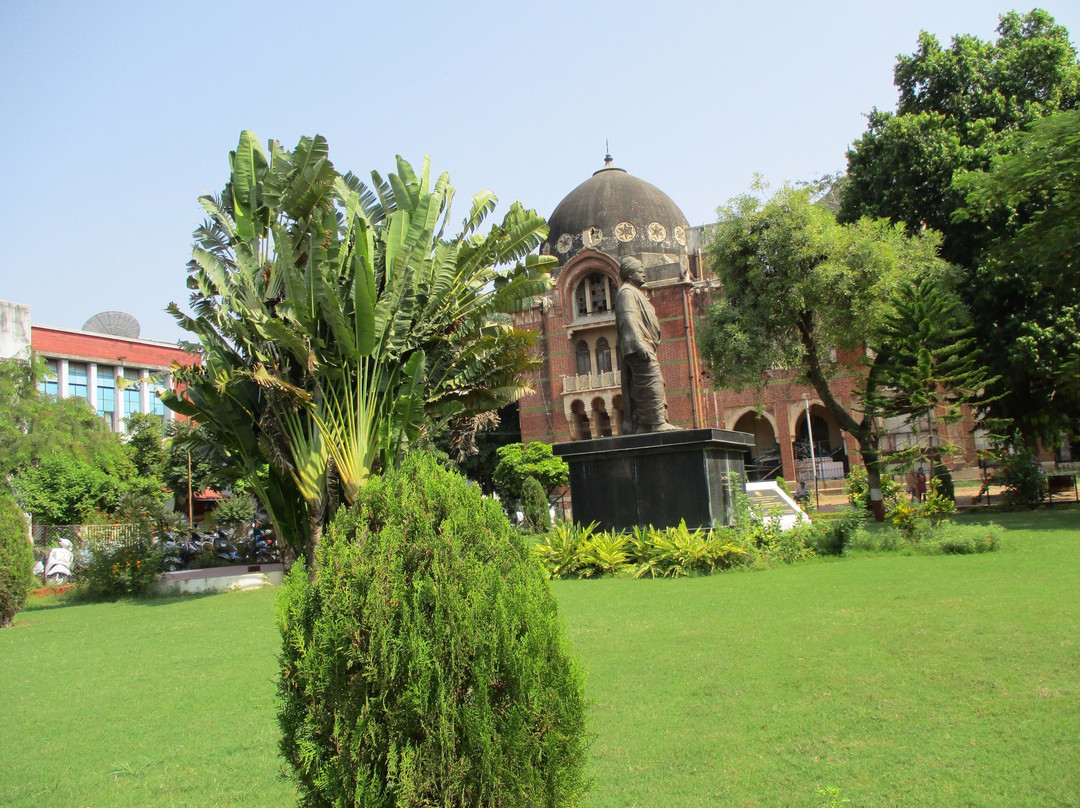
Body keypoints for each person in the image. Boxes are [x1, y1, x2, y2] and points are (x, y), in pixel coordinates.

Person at [615, 257, 678, 434]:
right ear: (629, 274)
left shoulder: (635, 293)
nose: (643, 273)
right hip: (638, 346)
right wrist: (638, 344)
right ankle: (657, 422)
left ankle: (643, 425)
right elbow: (628, 318)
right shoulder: (626, 292)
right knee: (652, 382)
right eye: (639, 270)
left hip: (644, 345)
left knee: (640, 386)